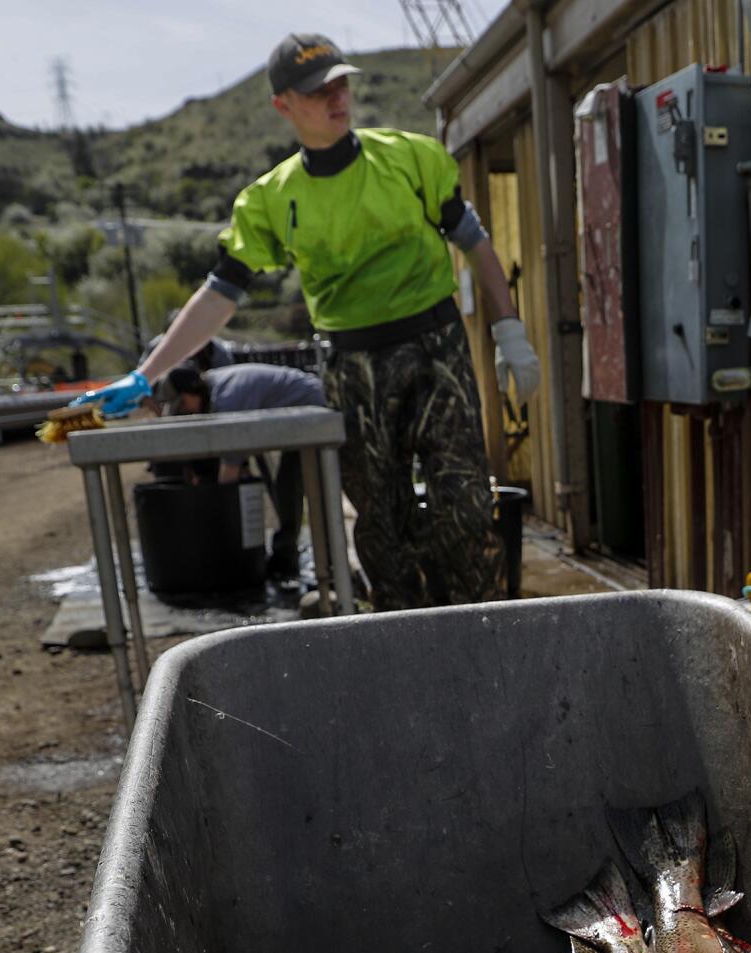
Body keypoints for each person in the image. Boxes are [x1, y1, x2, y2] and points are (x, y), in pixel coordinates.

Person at [69, 33, 539, 610]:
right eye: (317, 90)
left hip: (435, 347)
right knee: (382, 527)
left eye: (340, 83)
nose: (336, 97)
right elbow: (219, 296)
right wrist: (146, 375)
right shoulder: (272, 200)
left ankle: (490, 638)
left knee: (464, 506)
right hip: (354, 364)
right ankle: (409, 648)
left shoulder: (409, 158)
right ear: (284, 105)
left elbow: (474, 240)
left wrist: (508, 330)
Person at [162, 362, 326, 581]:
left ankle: (321, 565)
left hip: (314, 410)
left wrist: (215, 528)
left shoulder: (229, 399)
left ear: (193, 391)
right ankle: (287, 555)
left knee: (299, 489)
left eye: (182, 403)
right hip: (286, 419)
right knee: (284, 486)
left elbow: (230, 472)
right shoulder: (214, 386)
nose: (184, 410)